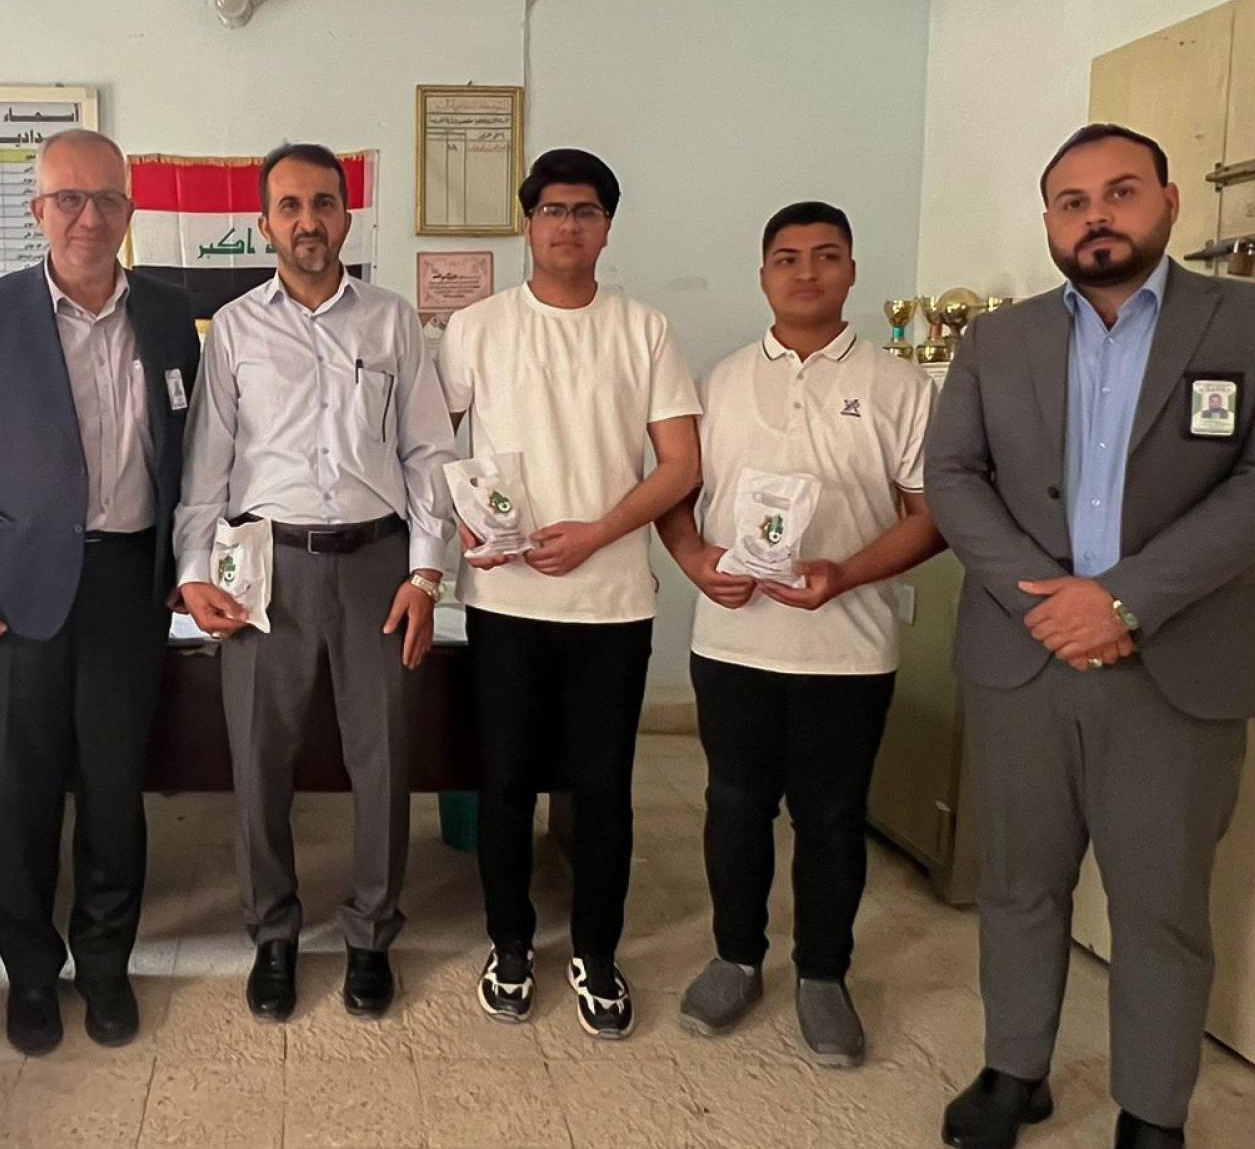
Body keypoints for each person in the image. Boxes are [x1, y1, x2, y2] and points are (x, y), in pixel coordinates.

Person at [927, 124, 1255, 1149]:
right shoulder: (994, 341)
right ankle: (1013, 1070)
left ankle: (1152, 1111)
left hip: (1174, 665)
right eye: (1072, 201)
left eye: (1120, 192)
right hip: (1022, 660)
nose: (1095, 216)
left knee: (1159, 906)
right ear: (1050, 221)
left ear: (1168, 203)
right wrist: (1039, 601)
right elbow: (952, 475)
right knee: (1017, 885)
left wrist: (1123, 600)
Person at [0, 129, 200, 1055]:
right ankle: (32, 974)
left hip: (129, 583)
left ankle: (106, 965)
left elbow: (189, 449)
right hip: (13, 593)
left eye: (107, 200)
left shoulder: (167, 313)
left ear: (129, 211)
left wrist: (188, 565)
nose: (89, 217)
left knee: (115, 792)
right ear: (38, 211)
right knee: (18, 794)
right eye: (70, 200)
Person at [657, 200, 944, 1065]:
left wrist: (844, 574)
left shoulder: (901, 387)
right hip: (733, 643)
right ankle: (736, 959)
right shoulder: (718, 382)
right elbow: (672, 497)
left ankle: (823, 974)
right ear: (764, 276)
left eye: (826, 255)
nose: (806, 271)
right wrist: (696, 560)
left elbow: (933, 516)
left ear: (852, 271)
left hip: (848, 648)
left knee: (831, 816)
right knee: (733, 806)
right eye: (787, 258)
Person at [175, 142, 455, 1021]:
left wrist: (426, 573)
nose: (308, 221)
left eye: (323, 204)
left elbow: (429, 453)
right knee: (260, 758)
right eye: (290, 206)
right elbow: (207, 467)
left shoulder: (393, 321)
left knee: (383, 758)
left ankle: (371, 933)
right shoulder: (235, 330)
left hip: (377, 563)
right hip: (267, 568)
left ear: (346, 217)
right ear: (264, 224)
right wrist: (193, 572)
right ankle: (274, 932)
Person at [435, 147, 700, 1039]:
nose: (567, 226)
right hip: (505, 600)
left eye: (586, 211)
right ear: (527, 223)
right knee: (504, 783)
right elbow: (433, 446)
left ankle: (596, 952)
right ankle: (509, 944)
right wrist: (465, 523)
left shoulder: (644, 329)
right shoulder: (477, 327)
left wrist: (599, 531)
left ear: (607, 228)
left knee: (603, 790)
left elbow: (680, 464)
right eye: (552, 210)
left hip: (612, 603)